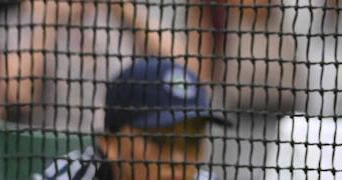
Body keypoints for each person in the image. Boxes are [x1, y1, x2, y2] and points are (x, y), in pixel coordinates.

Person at [32, 57, 223, 180]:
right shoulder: (72, 175)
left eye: (192, 142)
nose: (178, 159)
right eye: (159, 139)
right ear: (110, 142)